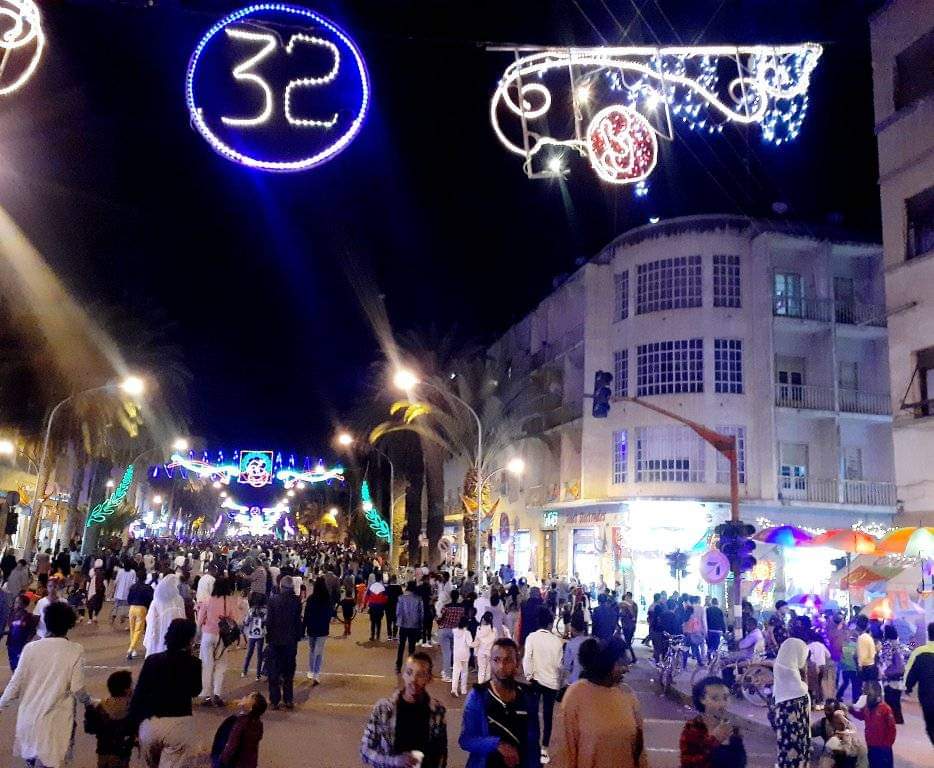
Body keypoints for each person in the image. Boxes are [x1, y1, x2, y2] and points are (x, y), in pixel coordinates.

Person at [0, 601, 89, 768]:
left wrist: (1, 704)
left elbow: (15, 684)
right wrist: (91, 702)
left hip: (29, 721)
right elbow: (78, 689)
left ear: (46, 622)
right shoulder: (75, 649)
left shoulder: (30, 648)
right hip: (56, 723)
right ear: (69, 625)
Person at [549, 637, 647, 768]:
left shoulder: (627, 694)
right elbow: (565, 751)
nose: (626, 669)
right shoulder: (576, 695)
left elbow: (639, 749)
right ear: (608, 664)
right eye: (621, 663)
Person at [130, 618, 202, 768]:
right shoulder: (194, 663)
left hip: (150, 723)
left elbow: (139, 694)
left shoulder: (152, 660)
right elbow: (196, 690)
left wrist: (134, 725)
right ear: (189, 639)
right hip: (179, 723)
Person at [460, 637, 540, 768]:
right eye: (496, 660)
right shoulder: (478, 696)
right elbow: (466, 739)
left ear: (517, 663)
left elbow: (533, 743)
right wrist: (497, 744)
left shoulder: (527, 696)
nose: (501, 666)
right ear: (490, 661)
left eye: (507, 660)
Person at [361, 651, 448, 768]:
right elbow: (365, 750)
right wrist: (394, 761)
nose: (413, 679)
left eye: (421, 674)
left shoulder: (437, 711)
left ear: (429, 678)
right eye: (409, 672)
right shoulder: (384, 709)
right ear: (403, 675)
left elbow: (441, 752)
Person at [523, 607, 563, 763]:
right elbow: (559, 666)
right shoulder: (557, 641)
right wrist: (559, 683)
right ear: (550, 623)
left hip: (535, 681)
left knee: (532, 715)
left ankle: (531, 745)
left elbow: (527, 659)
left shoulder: (531, 637)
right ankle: (544, 749)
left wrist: (529, 675)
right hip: (551, 683)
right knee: (548, 717)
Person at [679, 675, 746, 768]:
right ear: (702, 700)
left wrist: (736, 740)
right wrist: (714, 740)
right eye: (715, 699)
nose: (722, 703)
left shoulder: (732, 727)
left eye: (726, 698)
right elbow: (689, 764)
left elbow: (739, 763)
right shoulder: (693, 727)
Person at [197, 575, 242, 707]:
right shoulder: (230, 601)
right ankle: (217, 694)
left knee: (206, 665)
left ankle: (205, 696)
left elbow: (199, 621)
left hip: (207, 635)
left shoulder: (207, 600)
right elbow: (237, 620)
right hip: (222, 637)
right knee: (221, 666)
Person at [770, 623, 811, 768]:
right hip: (797, 735)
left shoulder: (781, 670)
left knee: (785, 752)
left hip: (785, 732)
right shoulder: (795, 681)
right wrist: (804, 674)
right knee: (796, 755)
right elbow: (803, 689)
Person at [265, 574, 303, 710]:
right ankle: (288, 699)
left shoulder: (273, 600)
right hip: (290, 641)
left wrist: (268, 636)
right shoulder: (296, 601)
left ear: (281, 587)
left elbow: (269, 622)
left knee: (274, 672)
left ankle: (274, 700)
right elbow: (298, 621)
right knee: (288, 672)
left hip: (275, 641)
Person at [84, 669, 135, 768]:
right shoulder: (131, 709)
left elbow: (89, 729)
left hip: (103, 753)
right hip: (122, 755)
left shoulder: (100, 708)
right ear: (127, 690)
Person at [211, 691, 267, 768]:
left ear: (250, 708)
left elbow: (232, 745)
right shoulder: (257, 723)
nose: (244, 696)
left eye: (248, 697)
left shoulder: (240, 723)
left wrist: (221, 761)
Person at [848, 681, 895, 768]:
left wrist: (887, 743)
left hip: (883, 746)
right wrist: (852, 710)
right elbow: (862, 716)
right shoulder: (867, 708)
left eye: (867, 693)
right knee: (873, 763)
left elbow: (891, 728)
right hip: (871, 743)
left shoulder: (885, 709)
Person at [903, 620, 934, 745]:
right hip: (927, 697)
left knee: (931, 726)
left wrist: (908, 687)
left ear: (928, 634)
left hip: (927, 698)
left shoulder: (919, 652)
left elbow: (910, 673)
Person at [144, 573, 186, 657]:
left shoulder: (156, 600)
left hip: (159, 630)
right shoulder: (179, 599)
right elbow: (183, 616)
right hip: (174, 631)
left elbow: (150, 618)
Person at [304, 575, 331, 685]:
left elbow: (306, 614)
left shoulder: (311, 598)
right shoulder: (327, 599)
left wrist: (304, 627)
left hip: (311, 628)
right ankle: (316, 673)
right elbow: (329, 614)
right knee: (319, 652)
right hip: (322, 629)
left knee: (312, 649)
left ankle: (311, 670)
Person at [877, 625, 904, 725]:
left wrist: (882, 671)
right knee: (896, 699)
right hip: (899, 676)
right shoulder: (899, 643)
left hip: (890, 676)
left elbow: (886, 661)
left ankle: (890, 720)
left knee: (889, 699)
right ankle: (899, 719)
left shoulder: (887, 645)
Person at [395, 580, 424, 674]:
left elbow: (398, 612)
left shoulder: (401, 598)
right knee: (411, 648)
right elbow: (421, 613)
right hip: (414, 626)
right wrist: (420, 624)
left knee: (401, 647)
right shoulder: (418, 599)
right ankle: (410, 668)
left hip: (403, 625)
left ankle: (398, 666)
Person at [437, 589, 465, 682]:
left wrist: (439, 622)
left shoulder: (446, 607)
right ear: (458, 597)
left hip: (445, 630)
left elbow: (440, 618)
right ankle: (457, 674)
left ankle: (447, 674)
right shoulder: (461, 608)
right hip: (456, 631)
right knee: (456, 652)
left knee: (446, 652)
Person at [126, 569, 154, 661]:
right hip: (142, 609)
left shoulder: (132, 587)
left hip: (132, 608)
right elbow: (151, 600)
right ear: (145, 578)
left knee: (132, 629)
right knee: (138, 630)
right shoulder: (148, 588)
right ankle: (131, 648)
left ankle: (133, 649)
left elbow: (129, 599)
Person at [6, 593, 38, 671]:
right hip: (11, 643)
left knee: (19, 664)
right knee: (12, 663)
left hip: (20, 644)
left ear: (24, 605)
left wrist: (27, 641)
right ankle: (15, 676)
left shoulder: (27, 616)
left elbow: (32, 630)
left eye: (17, 602)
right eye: (15, 602)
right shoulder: (12, 614)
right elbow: (11, 627)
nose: (15, 604)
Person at [242, 593, 267, 680]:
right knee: (259, 654)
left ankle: (244, 671)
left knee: (249, 653)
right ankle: (257, 674)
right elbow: (266, 621)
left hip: (252, 634)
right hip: (260, 635)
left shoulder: (251, 610)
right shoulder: (264, 610)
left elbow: (246, 622)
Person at [561, 614, 589, 689]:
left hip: (575, 679)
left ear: (572, 629)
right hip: (591, 680)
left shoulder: (570, 644)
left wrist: (565, 681)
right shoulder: (592, 641)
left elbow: (567, 665)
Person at [452, 615, 474, 698]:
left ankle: (454, 689)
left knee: (456, 672)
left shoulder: (454, 631)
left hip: (456, 654)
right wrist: (477, 642)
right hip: (465, 655)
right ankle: (463, 689)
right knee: (464, 672)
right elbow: (470, 644)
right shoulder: (467, 633)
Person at [112, 559, 136, 627]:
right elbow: (133, 582)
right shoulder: (132, 572)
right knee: (126, 607)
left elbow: (116, 581)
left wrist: (114, 589)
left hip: (120, 592)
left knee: (116, 606)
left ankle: (113, 618)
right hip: (127, 593)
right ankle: (122, 617)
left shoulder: (121, 571)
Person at [476, 611, 497, 684]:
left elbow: (477, 641)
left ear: (483, 619)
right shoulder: (493, 630)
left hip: (481, 652)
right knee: (488, 671)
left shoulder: (479, 628)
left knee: (481, 670)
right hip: (490, 652)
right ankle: (486, 687)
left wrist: (475, 653)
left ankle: (480, 685)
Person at [855, 615, 878, 682]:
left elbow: (862, 655)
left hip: (866, 666)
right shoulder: (868, 637)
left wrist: (859, 666)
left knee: (865, 687)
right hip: (871, 665)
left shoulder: (862, 637)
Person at [619, 591, 638, 664]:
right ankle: (630, 658)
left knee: (627, 642)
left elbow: (623, 614)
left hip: (627, 625)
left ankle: (631, 658)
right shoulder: (635, 604)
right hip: (632, 626)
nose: (625, 598)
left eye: (626, 597)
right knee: (628, 642)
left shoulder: (626, 605)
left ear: (629, 597)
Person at [87, 558, 108, 623]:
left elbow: (88, 581)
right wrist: (106, 591)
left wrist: (86, 589)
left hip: (92, 591)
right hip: (99, 591)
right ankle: (95, 616)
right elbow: (105, 583)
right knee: (98, 605)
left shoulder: (92, 571)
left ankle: (90, 619)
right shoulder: (103, 572)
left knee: (90, 605)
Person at [385, 575, 402, 641]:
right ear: (395, 580)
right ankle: (394, 635)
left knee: (388, 621)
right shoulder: (399, 587)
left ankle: (389, 635)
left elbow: (385, 597)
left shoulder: (387, 587)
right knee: (395, 621)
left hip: (388, 607)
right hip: (396, 606)